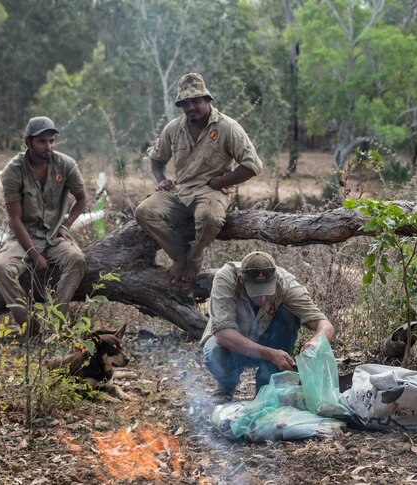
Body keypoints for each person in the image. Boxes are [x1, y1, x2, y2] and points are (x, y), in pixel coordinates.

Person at [135, 73, 262, 284]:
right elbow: (157, 158)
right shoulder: (174, 128)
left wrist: (221, 182)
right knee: (144, 212)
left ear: (207, 100)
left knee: (209, 217)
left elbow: (253, 166)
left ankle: (194, 260)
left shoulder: (227, 127)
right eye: (185, 103)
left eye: (196, 101)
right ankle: (180, 256)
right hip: (180, 191)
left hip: (211, 191)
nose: (191, 107)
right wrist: (161, 179)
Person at [0, 116, 88, 335]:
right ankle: (31, 329)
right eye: (42, 141)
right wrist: (34, 255)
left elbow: (82, 199)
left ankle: (55, 325)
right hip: (23, 237)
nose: (49, 147)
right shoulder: (13, 171)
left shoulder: (65, 164)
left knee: (77, 260)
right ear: (28, 142)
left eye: (52, 141)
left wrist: (66, 226)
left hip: (54, 236)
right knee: (0, 270)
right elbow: (15, 219)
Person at [201, 251, 334, 402]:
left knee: (288, 315)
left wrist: (315, 343)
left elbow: (325, 325)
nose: (262, 298)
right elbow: (222, 334)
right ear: (241, 281)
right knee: (215, 351)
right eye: (256, 292)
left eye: (266, 291)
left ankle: (266, 390)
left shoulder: (286, 283)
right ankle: (225, 389)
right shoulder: (225, 278)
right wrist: (270, 353)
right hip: (233, 347)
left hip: (267, 341)